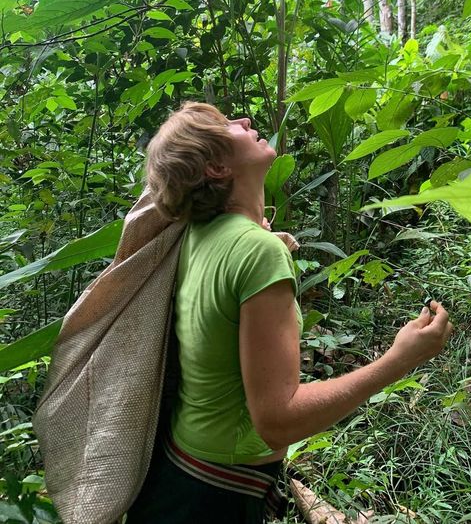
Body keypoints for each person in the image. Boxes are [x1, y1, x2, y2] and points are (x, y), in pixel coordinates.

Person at [126, 101, 452, 523]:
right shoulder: (253, 250)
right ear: (216, 168)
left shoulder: (199, 236)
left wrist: (258, 233)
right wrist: (398, 361)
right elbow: (277, 422)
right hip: (212, 496)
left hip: (181, 473)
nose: (244, 120)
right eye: (229, 125)